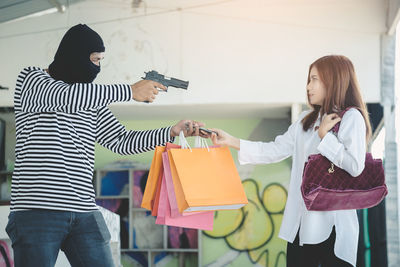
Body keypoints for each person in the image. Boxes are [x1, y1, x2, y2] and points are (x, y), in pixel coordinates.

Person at [5, 23, 204, 267]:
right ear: (74, 56)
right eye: (94, 59)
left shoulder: (92, 99)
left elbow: (122, 141)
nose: (97, 67)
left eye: (101, 60)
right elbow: (65, 97)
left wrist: (171, 131)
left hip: (85, 210)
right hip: (37, 211)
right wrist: (130, 91)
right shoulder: (32, 79)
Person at [208, 55, 371, 267]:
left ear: (333, 80)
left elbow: (355, 167)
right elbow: (274, 150)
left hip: (333, 227)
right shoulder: (305, 120)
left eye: (315, 79)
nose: (308, 86)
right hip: (300, 225)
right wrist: (231, 140)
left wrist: (325, 137)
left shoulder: (351, 118)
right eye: (308, 79)